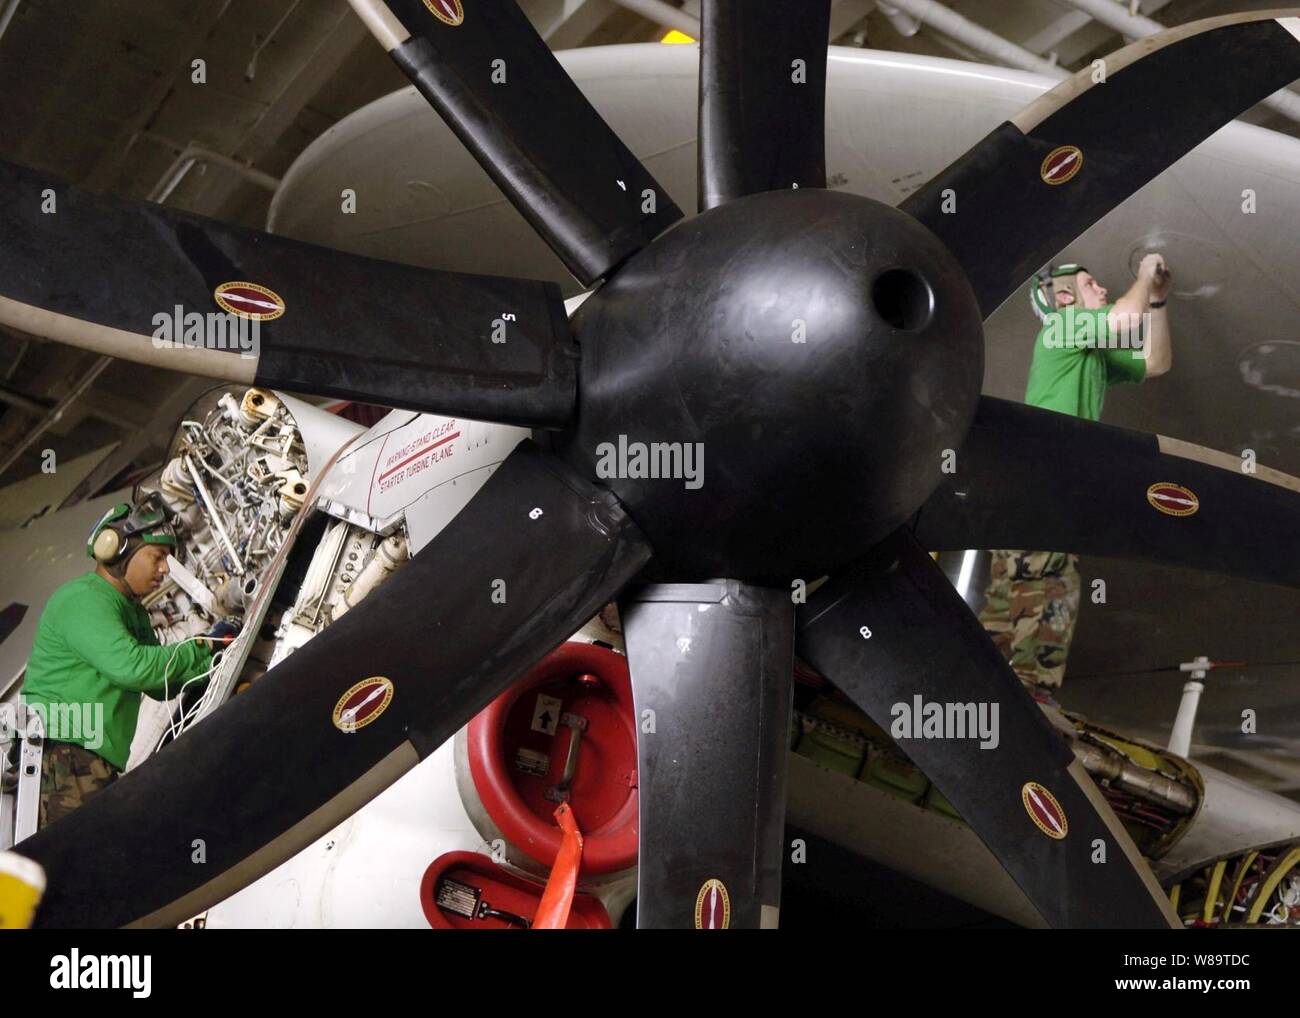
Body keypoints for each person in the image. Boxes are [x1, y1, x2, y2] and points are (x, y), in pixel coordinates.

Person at [978, 256, 1173, 695]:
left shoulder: (1087, 351)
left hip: (1037, 494)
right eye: (1092, 284)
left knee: (1010, 603)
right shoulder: (1060, 330)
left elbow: (1156, 363)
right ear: (1065, 298)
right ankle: (1030, 703)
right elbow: (1124, 318)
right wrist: (1143, 276)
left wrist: (1157, 302)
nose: (1102, 291)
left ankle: (986, 699)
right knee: (1047, 592)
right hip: (1042, 491)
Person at [21, 496, 229, 827]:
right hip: (61, 756)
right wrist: (204, 644)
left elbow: (160, 685)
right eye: (157, 556)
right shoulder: (83, 598)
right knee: (79, 862)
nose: (164, 569)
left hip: (88, 761)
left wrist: (219, 665)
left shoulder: (132, 612)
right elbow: (135, 668)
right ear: (115, 549)